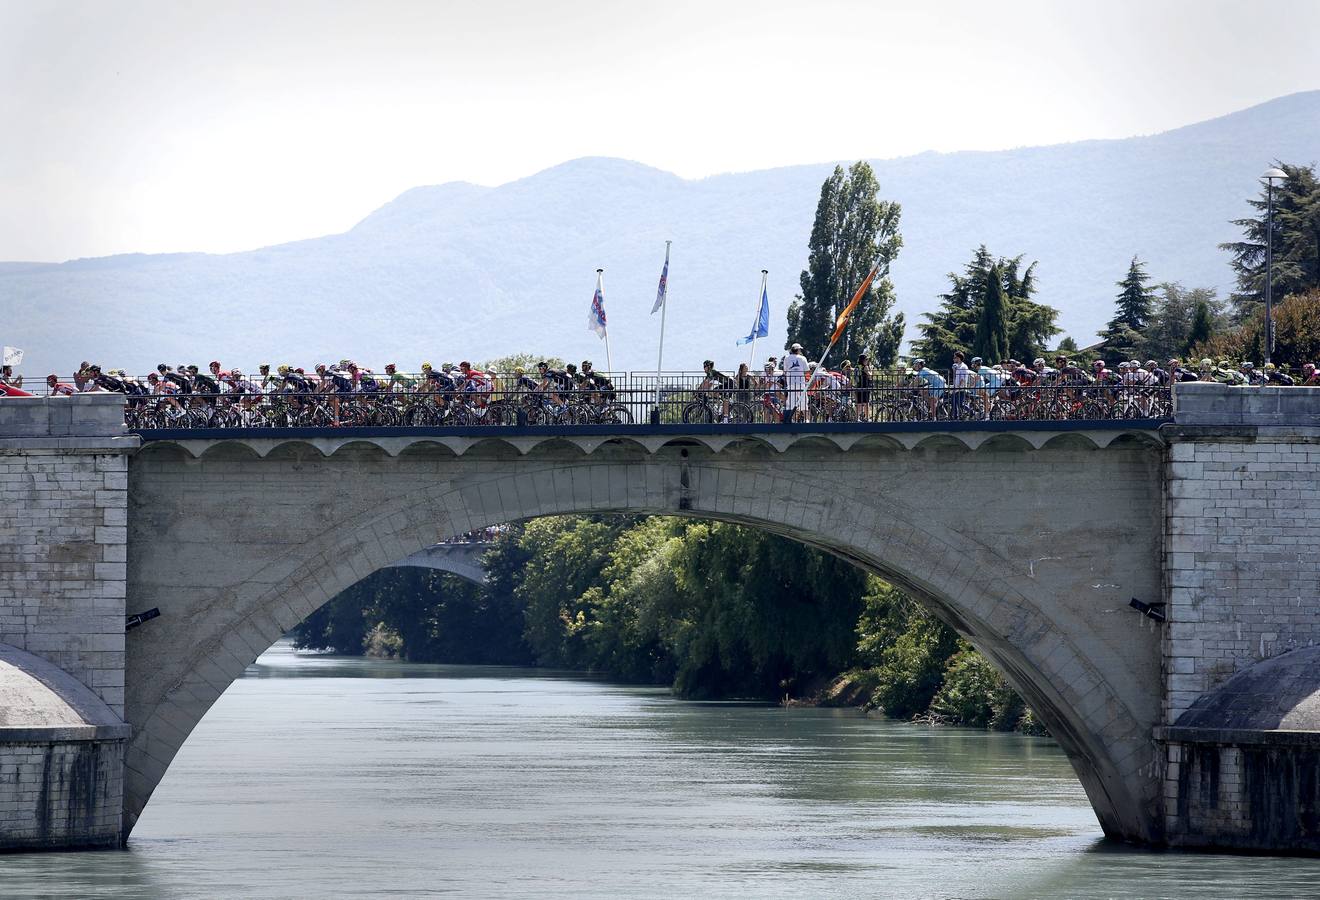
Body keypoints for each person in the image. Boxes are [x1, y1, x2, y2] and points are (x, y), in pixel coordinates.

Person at [782, 344, 809, 422]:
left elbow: (785, 371)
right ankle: (806, 419)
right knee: (803, 401)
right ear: (798, 350)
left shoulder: (786, 358)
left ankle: (792, 419)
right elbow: (807, 371)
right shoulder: (803, 358)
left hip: (791, 383)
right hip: (801, 383)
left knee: (791, 401)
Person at [853, 353, 873, 422]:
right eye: (866, 359)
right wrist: (871, 370)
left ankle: (857, 418)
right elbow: (870, 376)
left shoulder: (857, 367)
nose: (867, 361)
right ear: (863, 360)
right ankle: (867, 418)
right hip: (865, 386)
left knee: (858, 403)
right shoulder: (865, 367)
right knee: (866, 403)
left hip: (858, 386)